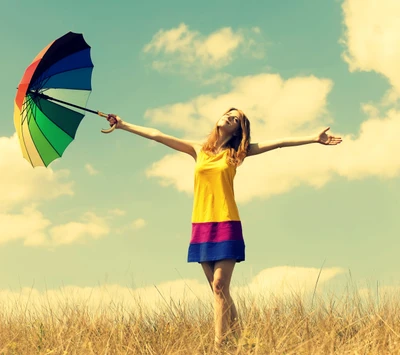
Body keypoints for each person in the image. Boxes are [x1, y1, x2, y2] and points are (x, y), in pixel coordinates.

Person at [106, 108, 342, 348]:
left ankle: (220, 345)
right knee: (219, 291)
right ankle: (241, 341)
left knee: (220, 285)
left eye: (235, 119)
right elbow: (157, 134)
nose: (229, 117)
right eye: (228, 114)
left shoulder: (238, 152)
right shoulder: (198, 150)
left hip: (227, 223)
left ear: (238, 130)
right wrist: (124, 125)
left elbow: (279, 142)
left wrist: (313, 138)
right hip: (201, 225)